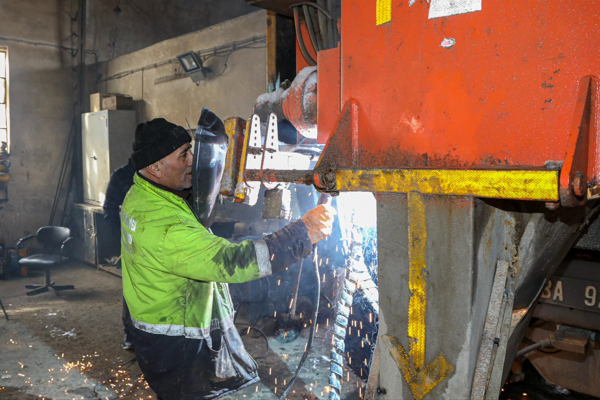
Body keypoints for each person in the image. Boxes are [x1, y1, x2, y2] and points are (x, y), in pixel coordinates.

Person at [120, 113, 335, 400]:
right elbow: (231, 263)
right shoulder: (166, 228)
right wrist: (301, 234)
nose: (192, 161)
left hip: (152, 328)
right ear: (156, 167)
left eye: (190, 151)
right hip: (180, 345)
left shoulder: (140, 195)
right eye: (183, 155)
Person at [103, 158, 136, 351]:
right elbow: (109, 208)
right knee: (132, 290)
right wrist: (121, 239)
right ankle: (130, 334)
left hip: (159, 240)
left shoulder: (161, 172)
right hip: (132, 243)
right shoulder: (121, 176)